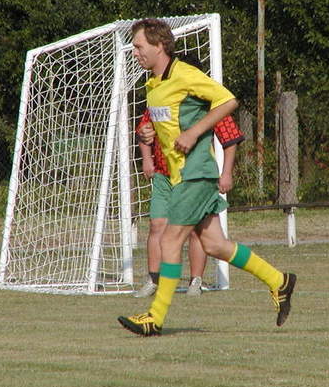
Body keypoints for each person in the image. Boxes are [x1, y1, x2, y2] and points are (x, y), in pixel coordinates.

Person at [118, 18, 297, 336]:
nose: (135, 52)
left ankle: (155, 318)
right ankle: (279, 281)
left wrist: (195, 132)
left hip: (196, 174)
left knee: (170, 239)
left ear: (159, 46)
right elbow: (166, 124)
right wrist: (148, 133)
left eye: (139, 46)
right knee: (215, 245)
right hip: (179, 176)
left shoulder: (186, 74)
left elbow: (229, 101)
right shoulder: (152, 84)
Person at [134, 94, 245, 298]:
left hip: (195, 178)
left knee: (202, 235)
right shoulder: (163, 96)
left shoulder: (210, 103)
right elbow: (144, 130)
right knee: (158, 225)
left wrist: (226, 173)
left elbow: (230, 137)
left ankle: (195, 281)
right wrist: (147, 158)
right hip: (165, 176)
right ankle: (154, 280)